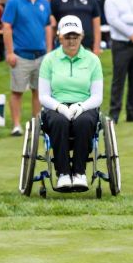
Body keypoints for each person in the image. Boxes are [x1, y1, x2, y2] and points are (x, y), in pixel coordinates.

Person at [38, 15, 104, 191]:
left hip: (85, 104)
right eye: (67, 36)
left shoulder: (93, 60)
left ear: (82, 35)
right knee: (59, 121)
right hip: (56, 105)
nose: (71, 40)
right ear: (59, 36)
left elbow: (97, 96)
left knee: (84, 122)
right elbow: (43, 96)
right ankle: (63, 174)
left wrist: (81, 106)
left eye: (75, 36)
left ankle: (79, 173)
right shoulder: (49, 60)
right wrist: (60, 107)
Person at [2, 0, 53, 136]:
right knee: (17, 91)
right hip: (21, 55)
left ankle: (37, 123)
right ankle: (17, 125)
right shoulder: (14, 2)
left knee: (39, 91)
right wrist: (9, 52)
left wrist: (50, 51)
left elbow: (47, 27)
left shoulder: (44, 2)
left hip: (40, 54)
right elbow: (7, 27)